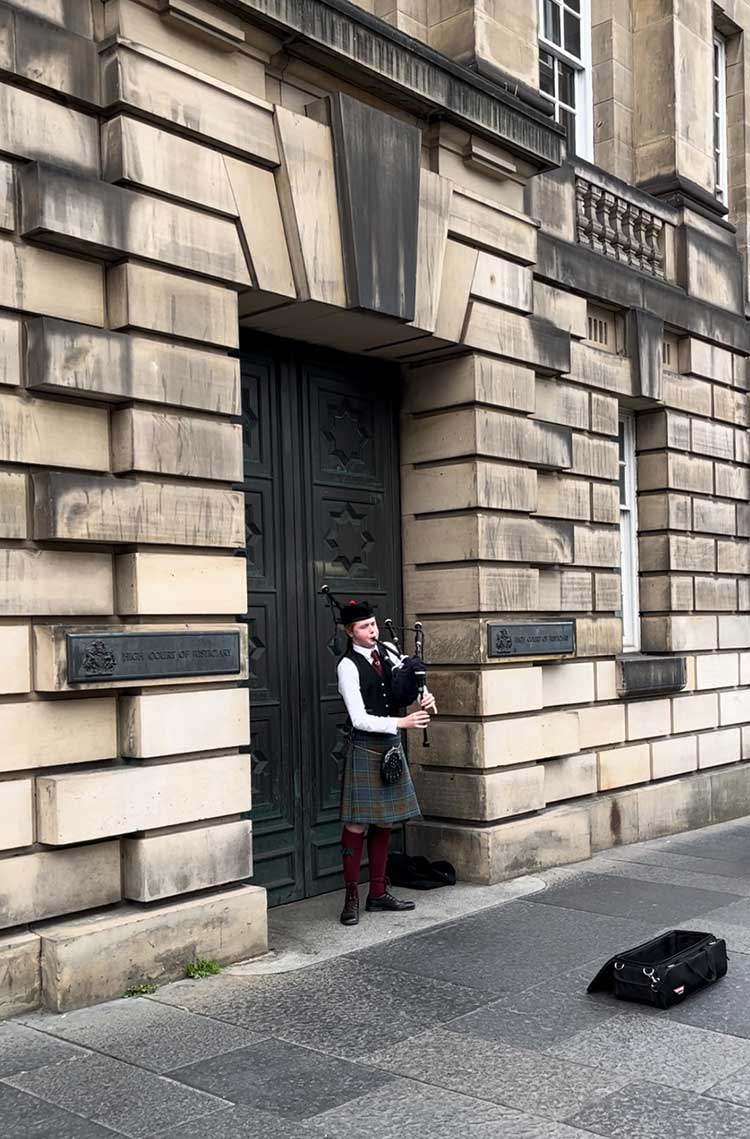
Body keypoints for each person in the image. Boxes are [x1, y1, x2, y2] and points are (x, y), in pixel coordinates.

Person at [335, 598, 436, 927]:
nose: (372, 631)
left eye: (373, 624)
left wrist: (423, 695)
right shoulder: (347, 666)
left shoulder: (389, 651)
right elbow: (359, 718)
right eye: (364, 627)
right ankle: (351, 897)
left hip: (389, 745)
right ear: (350, 632)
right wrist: (402, 723)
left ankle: (377, 893)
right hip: (366, 747)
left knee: (385, 822)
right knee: (357, 824)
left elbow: (405, 684)